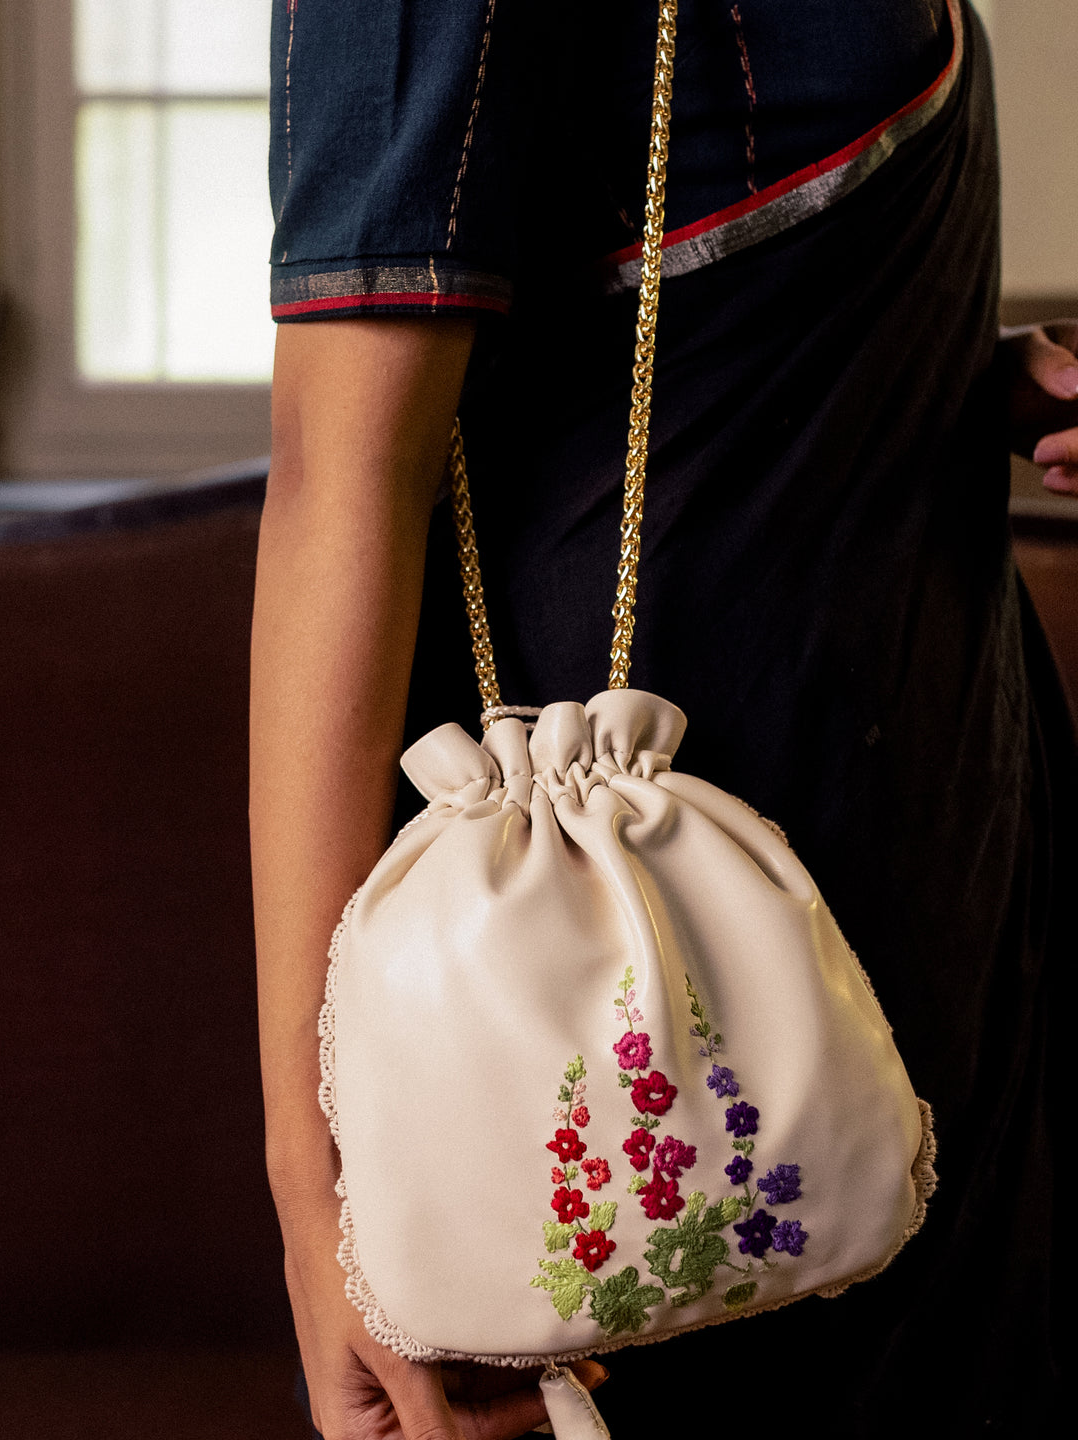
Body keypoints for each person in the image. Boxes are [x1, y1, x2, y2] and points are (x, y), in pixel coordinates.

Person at [250, 3, 1075, 1436]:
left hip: (950, 839)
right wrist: (317, 1195)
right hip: (646, 974)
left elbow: (669, 299)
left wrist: (939, 371)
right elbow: (342, 471)